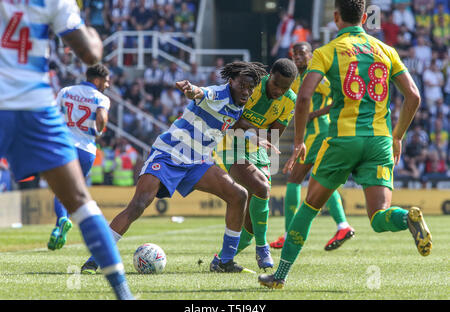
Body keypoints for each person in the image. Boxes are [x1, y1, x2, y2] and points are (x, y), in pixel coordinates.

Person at [259, 0, 432, 289]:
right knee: (379, 217)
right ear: (365, 17)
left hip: (342, 140)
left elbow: (303, 98)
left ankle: (280, 276)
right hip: (379, 141)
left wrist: (300, 141)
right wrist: (398, 135)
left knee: (309, 207)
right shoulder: (386, 50)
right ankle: (407, 217)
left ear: (336, 17)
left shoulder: (327, 52)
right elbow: (413, 96)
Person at [80, 61, 268, 274]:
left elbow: (233, 121)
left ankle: (225, 261)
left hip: (197, 161)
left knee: (239, 195)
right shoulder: (218, 93)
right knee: (138, 205)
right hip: (169, 153)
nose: (246, 91)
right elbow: (201, 93)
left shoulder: (238, 102)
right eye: (242, 85)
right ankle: (95, 259)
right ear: (231, 81)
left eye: (250, 88)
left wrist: (254, 136)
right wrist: (191, 89)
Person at [0, 0, 133, 300]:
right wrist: (96, 39)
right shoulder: (55, 2)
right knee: (81, 201)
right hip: (35, 105)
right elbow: (89, 54)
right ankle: (123, 294)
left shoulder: (68, 91)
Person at [210, 58, 298, 271]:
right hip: (230, 145)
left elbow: (274, 135)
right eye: (276, 84)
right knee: (262, 187)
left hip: (258, 151)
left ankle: (221, 261)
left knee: (249, 226)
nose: (279, 90)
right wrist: (257, 131)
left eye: (285, 87)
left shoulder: (289, 99)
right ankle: (263, 246)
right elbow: (232, 120)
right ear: (270, 76)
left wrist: (252, 130)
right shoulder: (252, 85)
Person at [269, 42, 355, 252]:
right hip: (312, 133)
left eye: (302, 53)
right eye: (294, 53)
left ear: (311, 55)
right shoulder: (296, 79)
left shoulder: (317, 77)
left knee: (294, 179)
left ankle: (290, 233)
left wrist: (312, 114)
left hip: (318, 132)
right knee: (322, 179)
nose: (297, 56)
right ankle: (342, 225)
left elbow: (339, 99)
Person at [48, 64, 111, 250]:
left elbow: (51, 112)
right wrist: (99, 131)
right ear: (97, 80)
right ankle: (76, 222)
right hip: (86, 151)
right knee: (74, 190)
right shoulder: (101, 98)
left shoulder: (66, 91)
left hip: (65, 145)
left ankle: (62, 220)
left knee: (61, 189)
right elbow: (102, 119)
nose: (107, 85)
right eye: (106, 82)